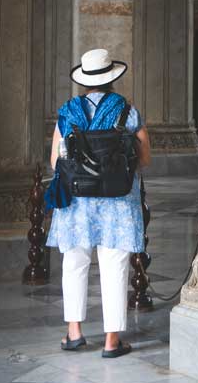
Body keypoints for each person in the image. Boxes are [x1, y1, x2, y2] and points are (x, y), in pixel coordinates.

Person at [47, 48, 151, 358]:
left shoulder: (67, 112)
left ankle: (74, 333)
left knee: (75, 263)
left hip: (76, 199)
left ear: (84, 82)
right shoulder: (127, 112)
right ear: (112, 79)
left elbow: (55, 161)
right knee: (114, 265)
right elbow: (145, 159)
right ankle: (111, 340)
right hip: (118, 201)